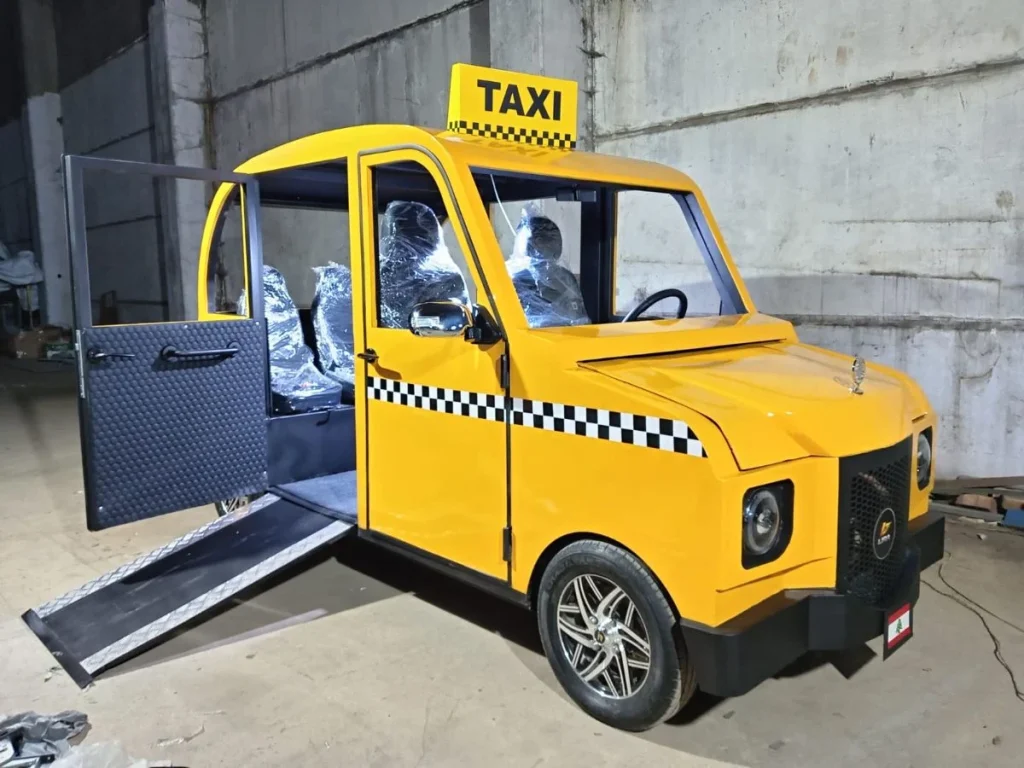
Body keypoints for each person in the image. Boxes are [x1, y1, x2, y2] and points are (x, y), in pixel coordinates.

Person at [506, 213, 589, 327]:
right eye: (550, 241)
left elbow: (578, 314)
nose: (557, 246)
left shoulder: (565, 277)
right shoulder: (517, 281)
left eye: (556, 240)